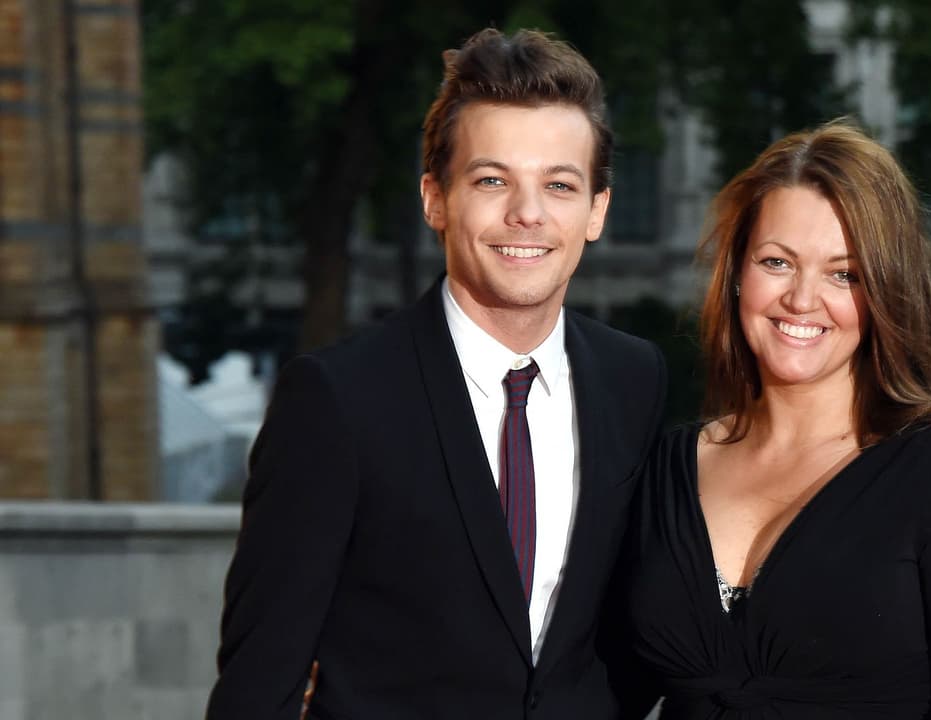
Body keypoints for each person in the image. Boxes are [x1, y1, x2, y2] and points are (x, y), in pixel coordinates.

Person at [207, 28, 667, 719]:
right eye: (492, 181)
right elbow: (257, 685)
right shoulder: (336, 400)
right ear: (435, 199)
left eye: (559, 185)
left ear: (596, 210)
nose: (528, 214)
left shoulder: (633, 379)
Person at [621, 120, 931, 719]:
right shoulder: (668, 469)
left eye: (843, 274)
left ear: (885, 292)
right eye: (777, 262)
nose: (802, 299)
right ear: (738, 273)